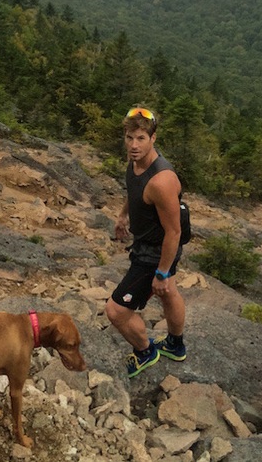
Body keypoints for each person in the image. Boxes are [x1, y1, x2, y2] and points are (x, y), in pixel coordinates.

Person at [105, 106, 188, 377]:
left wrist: (162, 273)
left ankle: (145, 351)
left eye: (141, 138)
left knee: (116, 311)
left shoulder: (162, 181)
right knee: (170, 293)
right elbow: (134, 191)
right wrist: (123, 215)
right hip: (148, 242)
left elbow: (173, 232)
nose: (133, 145)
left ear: (154, 138)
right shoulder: (135, 162)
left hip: (156, 251)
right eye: (129, 138)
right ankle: (175, 344)